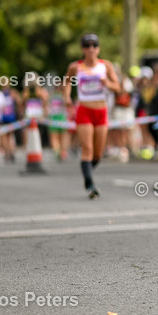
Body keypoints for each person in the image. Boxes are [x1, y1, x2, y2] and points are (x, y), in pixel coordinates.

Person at [63, 34, 122, 199]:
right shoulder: (76, 67)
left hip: (101, 111)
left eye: (94, 46)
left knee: (98, 153)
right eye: (87, 46)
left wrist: (107, 83)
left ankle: (87, 171)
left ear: (98, 48)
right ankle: (90, 184)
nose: (91, 49)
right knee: (87, 149)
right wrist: (67, 97)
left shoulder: (106, 66)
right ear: (82, 49)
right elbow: (67, 82)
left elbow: (118, 87)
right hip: (84, 110)